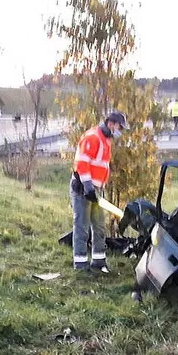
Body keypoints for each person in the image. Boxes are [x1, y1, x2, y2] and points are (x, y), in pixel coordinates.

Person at [70, 111, 129, 273]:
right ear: (111, 124)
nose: (120, 131)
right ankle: (80, 264)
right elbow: (82, 163)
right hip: (83, 188)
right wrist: (88, 186)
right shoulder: (93, 137)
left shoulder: (106, 140)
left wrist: (97, 188)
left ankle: (98, 260)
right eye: (120, 127)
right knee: (81, 225)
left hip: (96, 190)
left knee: (99, 225)